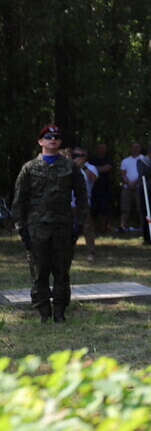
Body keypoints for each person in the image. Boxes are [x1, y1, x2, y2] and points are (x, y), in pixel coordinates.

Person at [12, 124, 90, 322]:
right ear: (40, 141)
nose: (52, 139)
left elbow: (82, 196)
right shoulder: (29, 168)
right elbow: (19, 201)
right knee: (39, 271)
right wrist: (21, 229)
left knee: (62, 271)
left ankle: (60, 311)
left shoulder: (70, 166)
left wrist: (78, 223)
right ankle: (43, 310)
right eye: (48, 136)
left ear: (60, 142)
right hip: (37, 228)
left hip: (63, 227)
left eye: (56, 136)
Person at [71, 148, 98, 262]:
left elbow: (94, 178)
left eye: (81, 155)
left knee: (87, 227)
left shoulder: (91, 167)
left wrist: (82, 166)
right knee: (68, 227)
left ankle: (90, 252)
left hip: (83, 203)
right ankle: (68, 250)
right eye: (75, 154)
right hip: (68, 203)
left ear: (86, 156)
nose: (78, 157)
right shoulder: (68, 166)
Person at [119, 142, 147, 232]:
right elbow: (123, 174)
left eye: (137, 147)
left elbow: (144, 173)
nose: (135, 149)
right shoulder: (125, 161)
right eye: (133, 147)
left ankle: (143, 226)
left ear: (140, 148)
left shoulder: (144, 159)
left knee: (141, 208)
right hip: (127, 187)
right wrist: (128, 183)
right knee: (125, 208)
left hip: (140, 186)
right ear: (130, 148)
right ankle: (123, 226)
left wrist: (135, 182)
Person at [90, 142, 113, 233]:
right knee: (92, 209)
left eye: (104, 147)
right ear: (97, 149)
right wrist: (100, 168)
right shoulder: (92, 159)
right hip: (93, 188)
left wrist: (95, 168)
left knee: (104, 209)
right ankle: (92, 228)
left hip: (105, 188)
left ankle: (103, 228)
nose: (102, 149)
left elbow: (107, 168)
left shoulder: (109, 159)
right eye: (100, 147)